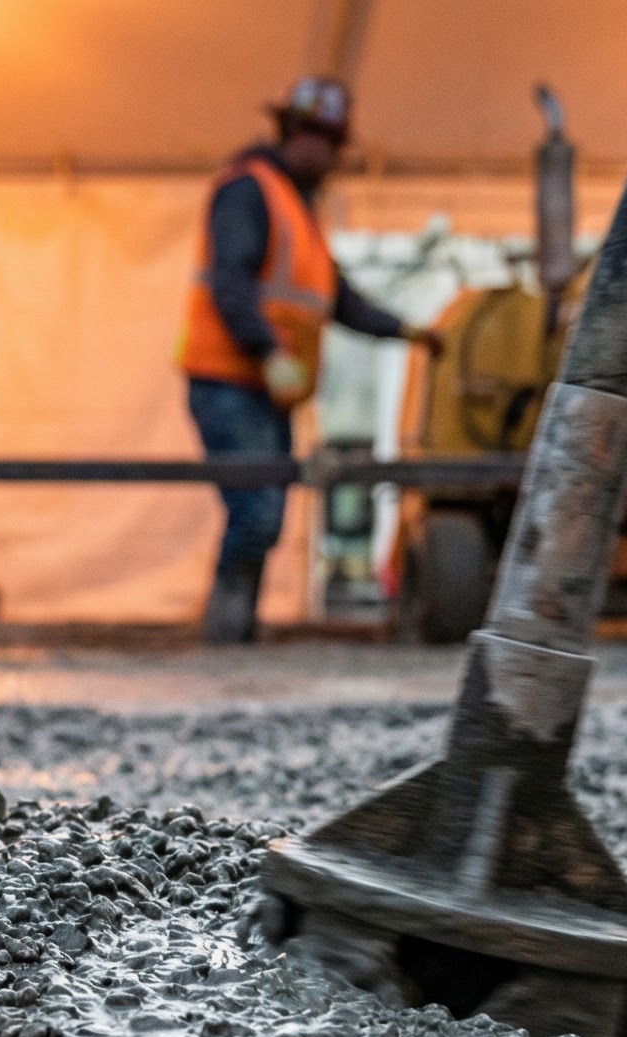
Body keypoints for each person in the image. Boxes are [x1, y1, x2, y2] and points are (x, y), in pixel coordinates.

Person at [178, 74, 438, 644]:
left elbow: (336, 299)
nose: (333, 158)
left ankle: (235, 629)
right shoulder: (249, 191)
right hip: (231, 379)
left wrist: (409, 332)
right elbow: (231, 282)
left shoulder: (298, 210)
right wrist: (267, 349)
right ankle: (224, 633)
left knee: (262, 514)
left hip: (266, 387)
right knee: (257, 511)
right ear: (295, 132)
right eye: (326, 142)